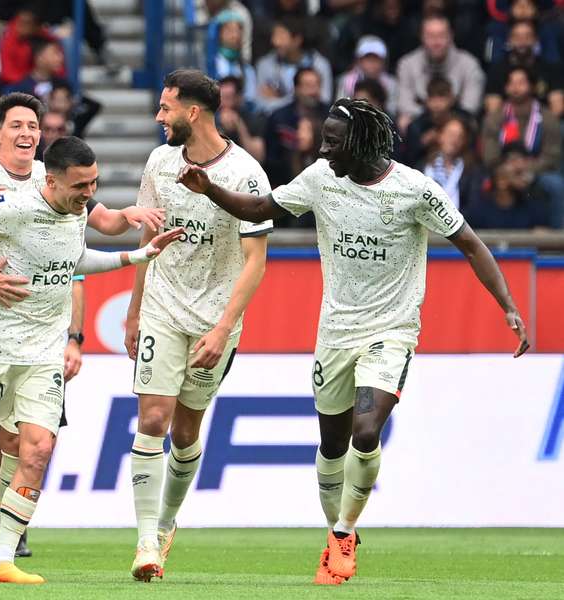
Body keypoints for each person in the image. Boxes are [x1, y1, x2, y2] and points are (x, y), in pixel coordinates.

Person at [176, 97, 530, 586]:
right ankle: (334, 530)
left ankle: (344, 533)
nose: (323, 150)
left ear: (362, 143)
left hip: (391, 330)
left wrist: (508, 304)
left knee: (366, 432)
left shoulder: (414, 190)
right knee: (332, 445)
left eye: (333, 142)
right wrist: (210, 188)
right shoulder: (321, 179)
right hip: (335, 333)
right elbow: (260, 207)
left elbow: (470, 242)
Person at [0, 136, 184, 584]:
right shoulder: (16, 207)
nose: (89, 194)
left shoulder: (76, 210)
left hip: (43, 355)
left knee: (38, 449)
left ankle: (1, 558)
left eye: (94, 183)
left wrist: (138, 255)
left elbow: (75, 260)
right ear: (51, 181)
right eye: (80, 185)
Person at [124, 69, 272, 582]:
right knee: (152, 420)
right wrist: (135, 308)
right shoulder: (159, 163)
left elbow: (256, 260)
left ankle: (166, 522)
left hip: (215, 321)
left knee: (186, 431)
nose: (158, 117)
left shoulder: (248, 175)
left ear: (193, 112)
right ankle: (146, 541)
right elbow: (151, 238)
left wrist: (224, 326)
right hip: (164, 307)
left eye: (166, 108)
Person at [480, 66, 564, 228]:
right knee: (478, 182)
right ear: (505, 87)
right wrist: (508, 170)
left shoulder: (547, 117)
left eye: (521, 82)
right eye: (511, 83)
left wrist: (527, 169)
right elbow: (489, 155)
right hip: (501, 171)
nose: (516, 88)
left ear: (532, 86)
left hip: (537, 173)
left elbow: (552, 156)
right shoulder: (495, 118)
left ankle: (558, 241)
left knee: (557, 186)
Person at [396, 15, 485, 132]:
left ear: (451, 36)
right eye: (430, 36)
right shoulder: (407, 64)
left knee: (470, 123)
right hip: (421, 119)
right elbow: (404, 103)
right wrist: (433, 116)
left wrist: (445, 118)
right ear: (421, 37)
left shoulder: (469, 64)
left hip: (457, 120)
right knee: (404, 121)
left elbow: (470, 105)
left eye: (441, 36)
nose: (436, 42)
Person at [254, 17, 332, 114]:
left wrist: (281, 99)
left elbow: (324, 102)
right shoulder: (265, 64)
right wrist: (299, 98)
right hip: (277, 120)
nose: (275, 42)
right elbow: (261, 104)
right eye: (274, 36)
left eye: (281, 37)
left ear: (297, 40)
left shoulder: (320, 65)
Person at [335, 36, 399, 117]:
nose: (372, 64)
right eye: (368, 59)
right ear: (359, 61)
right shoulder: (346, 81)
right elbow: (340, 109)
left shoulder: (391, 83)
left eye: (376, 59)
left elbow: (391, 110)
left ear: (383, 62)